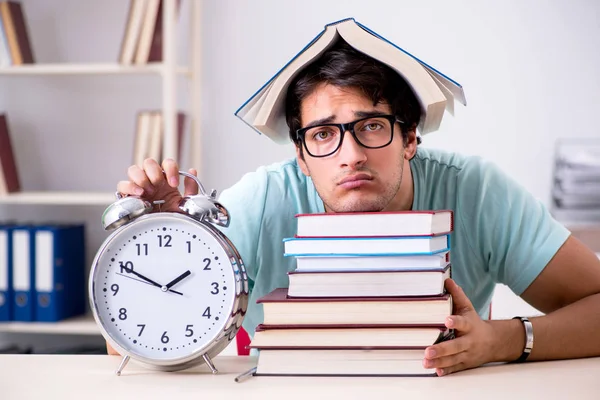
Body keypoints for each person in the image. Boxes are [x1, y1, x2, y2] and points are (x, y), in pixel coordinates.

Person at [110, 40, 600, 376]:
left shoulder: (477, 191)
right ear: (300, 156)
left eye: (371, 126)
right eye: (323, 134)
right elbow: (123, 347)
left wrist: (503, 340)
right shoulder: (261, 200)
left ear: (410, 137)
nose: (351, 155)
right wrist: (167, 242)